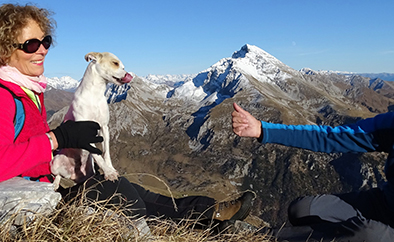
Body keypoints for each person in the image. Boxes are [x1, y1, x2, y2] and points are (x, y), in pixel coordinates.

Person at [0, 2, 254, 227]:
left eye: (46, 41)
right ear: (5, 50)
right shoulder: (4, 96)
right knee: (125, 196)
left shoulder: (30, 89)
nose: (42, 50)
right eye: (31, 44)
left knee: (131, 188)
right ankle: (210, 219)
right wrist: (55, 140)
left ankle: (211, 214)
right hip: (26, 202)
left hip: (46, 186)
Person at [232, 62, 394, 242]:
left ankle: (256, 238)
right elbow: (333, 137)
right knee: (303, 209)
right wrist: (262, 129)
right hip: (386, 208)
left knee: (364, 235)